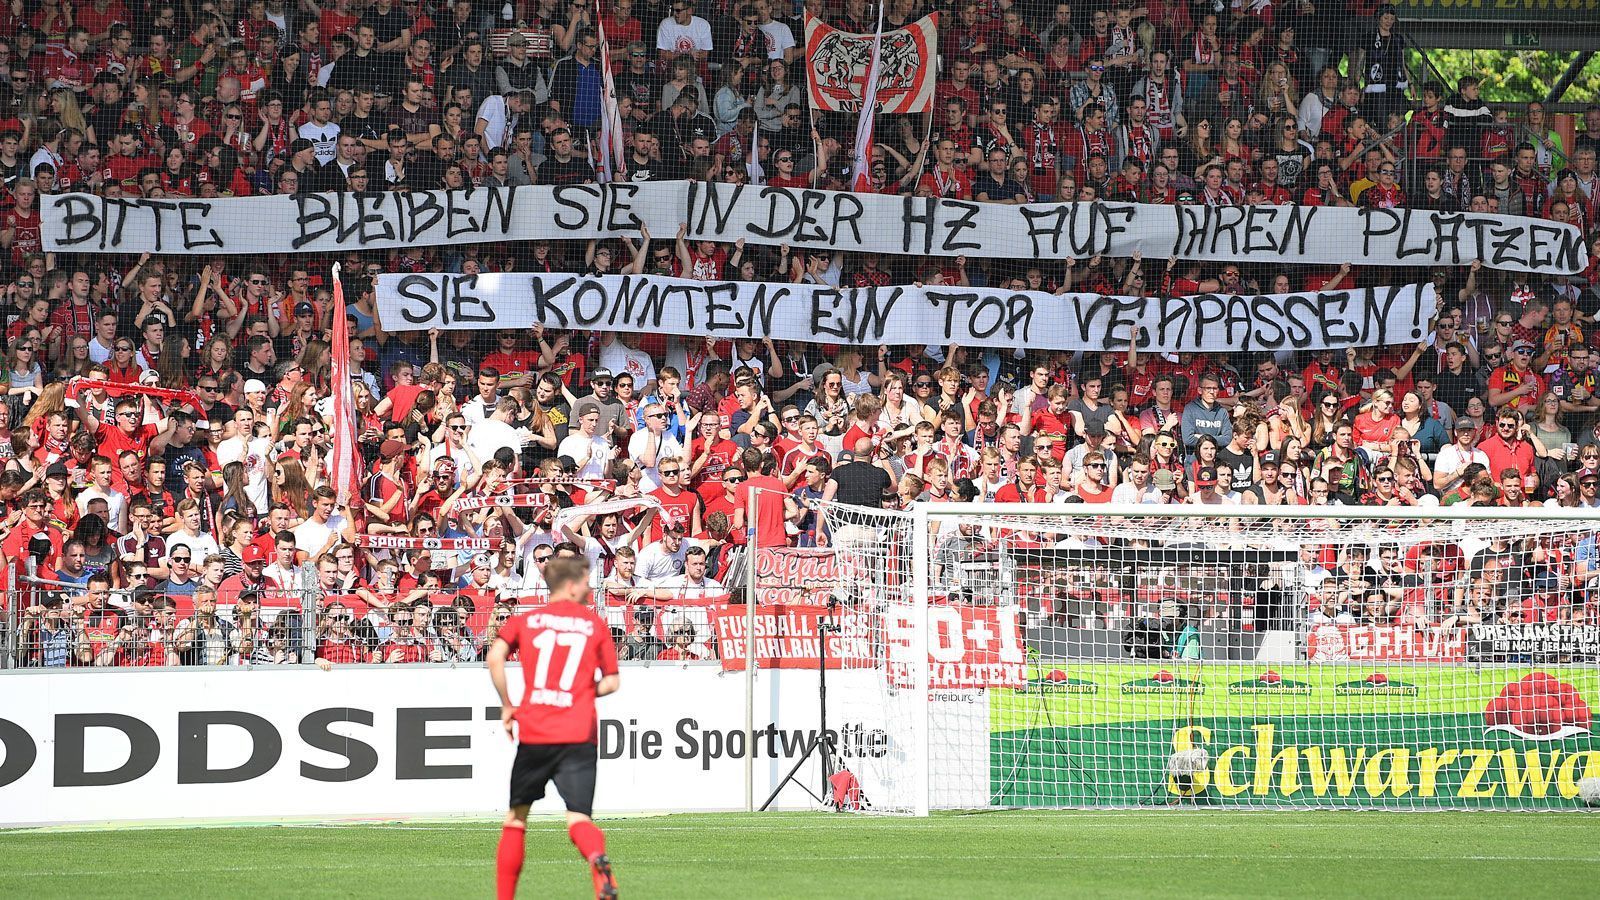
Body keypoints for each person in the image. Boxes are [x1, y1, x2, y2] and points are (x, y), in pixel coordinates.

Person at [486, 556, 620, 900]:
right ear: (573, 585)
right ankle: (596, 857)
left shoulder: (527, 620)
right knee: (579, 818)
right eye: (587, 582)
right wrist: (580, 691)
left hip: (536, 731)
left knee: (516, 819)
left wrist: (506, 703)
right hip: (579, 733)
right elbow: (613, 682)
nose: (590, 589)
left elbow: (495, 656)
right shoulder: (594, 624)